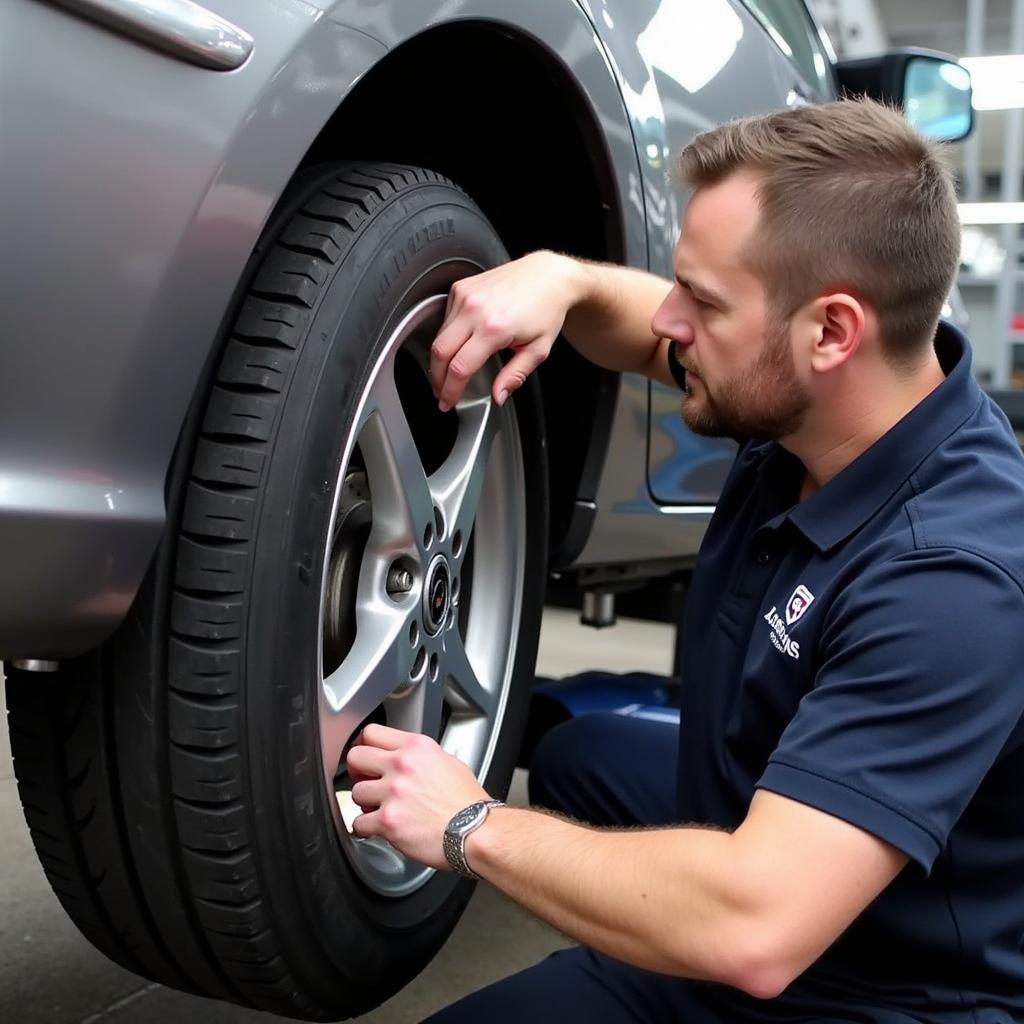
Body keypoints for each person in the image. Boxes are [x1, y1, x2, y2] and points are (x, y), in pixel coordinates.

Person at [345, 98, 1024, 1022]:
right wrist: (564, 282)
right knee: (578, 747)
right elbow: (632, 319)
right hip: (773, 865)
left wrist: (470, 825)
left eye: (700, 300)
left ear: (832, 332)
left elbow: (757, 929)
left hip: (854, 987)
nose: (667, 321)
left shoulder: (954, 582)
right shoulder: (826, 400)